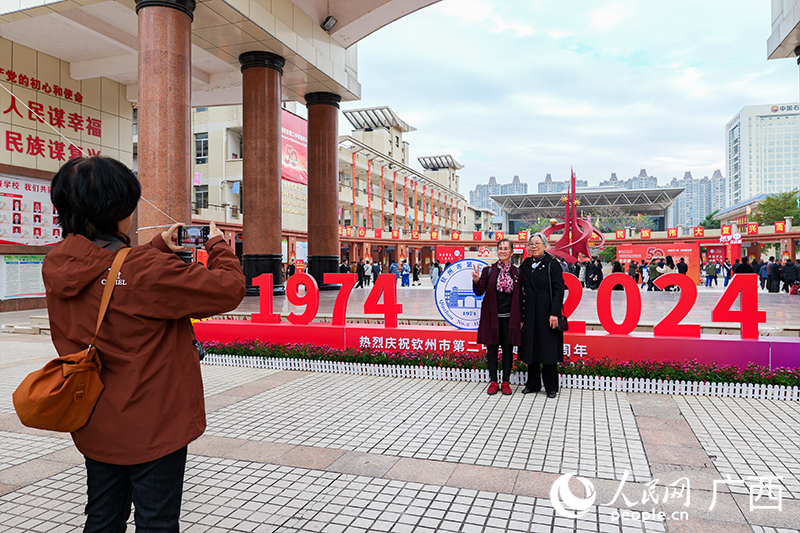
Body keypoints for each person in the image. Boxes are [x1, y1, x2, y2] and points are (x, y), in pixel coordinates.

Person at [42, 156, 245, 532]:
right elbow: (228, 290)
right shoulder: (146, 271)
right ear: (118, 211)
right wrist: (218, 246)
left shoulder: (56, 263)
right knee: (157, 521)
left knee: (103, 516)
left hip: (94, 418)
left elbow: (110, 273)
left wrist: (156, 246)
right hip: (155, 424)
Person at [472, 238, 521, 396]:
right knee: (491, 350)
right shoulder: (489, 270)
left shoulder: (516, 272)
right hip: (492, 318)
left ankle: (505, 381)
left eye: (506, 248)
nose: (503, 251)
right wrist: (477, 280)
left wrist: (521, 319)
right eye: (500, 248)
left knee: (507, 350)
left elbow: (521, 297)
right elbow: (479, 291)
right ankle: (494, 381)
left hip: (509, 318)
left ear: (512, 252)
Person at [519, 233, 564, 398]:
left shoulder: (552, 264)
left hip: (547, 314)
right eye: (531, 244)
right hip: (530, 313)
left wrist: (554, 313)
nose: (534, 246)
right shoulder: (525, 264)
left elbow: (559, 290)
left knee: (548, 350)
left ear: (545, 246)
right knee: (531, 348)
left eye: (537, 243)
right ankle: (532, 384)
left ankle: (551, 387)